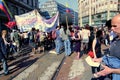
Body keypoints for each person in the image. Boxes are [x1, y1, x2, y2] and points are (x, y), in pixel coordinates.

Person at [93, 14, 120, 80]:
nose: (112, 28)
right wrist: (100, 59)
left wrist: (111, 70)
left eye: (114, 26)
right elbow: (111, 55)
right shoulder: (115, 39)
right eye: (111, 26)